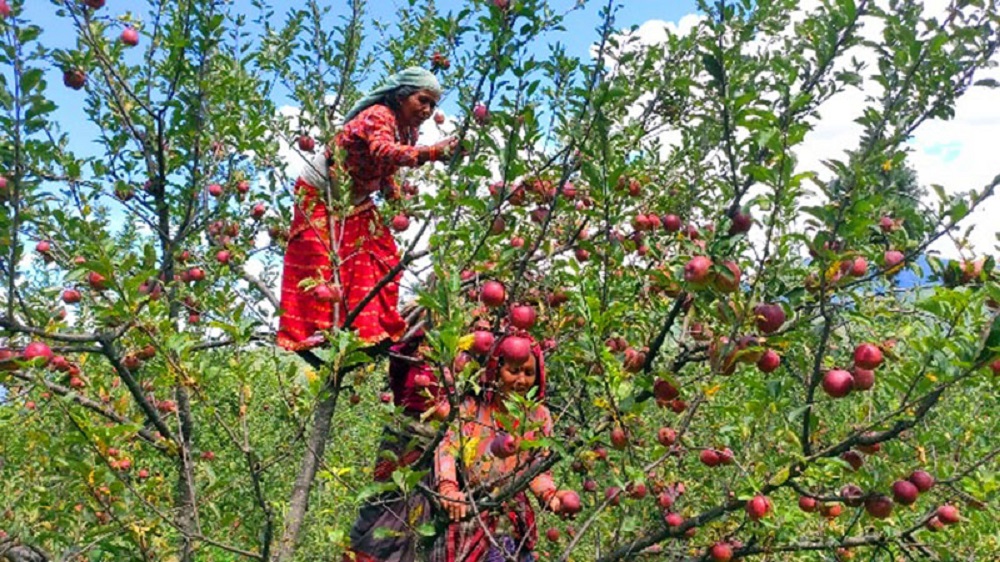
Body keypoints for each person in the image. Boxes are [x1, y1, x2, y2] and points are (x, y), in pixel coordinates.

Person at [277, 67, 459, 351]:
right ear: (401, 96)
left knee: (381, 254)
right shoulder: (378, 115)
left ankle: (365, 328)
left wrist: (395, 198)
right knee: (319, 260)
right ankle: (315, 331)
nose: (427, 109)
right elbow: (383, 151)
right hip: (320, 192)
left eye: (433, 105)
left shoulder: (408, 130)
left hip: (356, 197)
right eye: (422, 100)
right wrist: (431, 153)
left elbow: (386, 167)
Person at [430, 334, 576, 562]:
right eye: (514, 370)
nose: (521, 380)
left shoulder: (538, 417)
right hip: (471, 510)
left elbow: (536, 471)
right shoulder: (473, 408)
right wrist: (448, 489)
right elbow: (447, 448)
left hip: (511, 519)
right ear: (496, 370)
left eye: (529, 373)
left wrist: (551, 496)